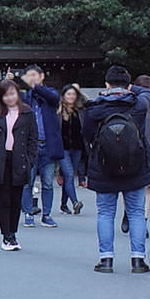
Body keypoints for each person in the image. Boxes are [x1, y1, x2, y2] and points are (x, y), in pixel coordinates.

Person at [81, 66, 150, 271]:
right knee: (135, 212)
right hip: (135, 165)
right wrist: (131, 88)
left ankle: (106, 259)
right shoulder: (138, 104)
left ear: (106, 84)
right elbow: (147, 92)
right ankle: (138, 260)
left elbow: (87, 135)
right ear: (128, 84)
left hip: (104, 166)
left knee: (105, 213)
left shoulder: (95, 108)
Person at [0, 78, 40, 251]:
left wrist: (29, 160)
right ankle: (6, 235)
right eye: (6, 95)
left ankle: (13, 234)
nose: (9, 98)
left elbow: (33, 139)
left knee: (17, 200)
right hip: (1, 159)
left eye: (12, 94)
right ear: (1, 97)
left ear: (17, 93)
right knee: (4, 199)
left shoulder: (27, 113)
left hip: (20, 160)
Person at [20, 65, 63, 227]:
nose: (31, 79)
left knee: (47, 182)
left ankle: (47, 214)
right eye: (28, 77)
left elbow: (53, 99)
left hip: (48, 145)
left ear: (41, 76)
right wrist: (8, 81)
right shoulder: (26, 97)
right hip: (30, 146)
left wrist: (35, 87)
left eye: (34, 76)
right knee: (28, 181)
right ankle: (28, 213)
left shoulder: (50, 93)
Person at [57, 85, 86, 215]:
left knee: (69, 176)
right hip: (62, 148)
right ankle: (75, 202)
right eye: (69, 94)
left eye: (74, 94)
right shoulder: (57, 111)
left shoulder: (80, 110)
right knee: (68, 174)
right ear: (63, 96)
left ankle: (64, 204)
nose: (71, 97)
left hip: (77, 147)